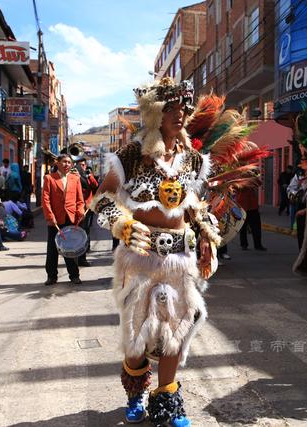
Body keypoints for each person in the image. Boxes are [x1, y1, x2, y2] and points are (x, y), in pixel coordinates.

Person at [91, 77, 219, 426]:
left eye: (184, 110)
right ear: (156, 113)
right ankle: (135, 390)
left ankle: (167, 399)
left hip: (181, 259)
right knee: (138, 335)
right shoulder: (132, 155)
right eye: (172, 109)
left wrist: (207, 238)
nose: (180, 116)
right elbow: (101, 200)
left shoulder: (192, 159)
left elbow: (196, 206)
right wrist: (124, 225)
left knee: (175, 331)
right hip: (140, 258)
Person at [42, 154, 85, 286]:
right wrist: (50, 217)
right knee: (52, 249)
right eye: (64, 162)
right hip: (56, 219)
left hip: (71, 218)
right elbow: (45, 200)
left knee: (70, 248)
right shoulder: (49, 178)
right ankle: (51, 276)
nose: (67, 164)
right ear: (58, 163)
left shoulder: (75, 178)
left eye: (69, 162)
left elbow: (79, 199)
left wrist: (80, 213)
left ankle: (74, 275)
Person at [76, 157, 98, 267]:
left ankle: (84, 252)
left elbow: (95, 186)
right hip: (77, 207)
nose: (82, 167)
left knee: (86, 230)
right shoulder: (75, 175)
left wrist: (90, 176)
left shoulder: (88, 175)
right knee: (78, 231)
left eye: (83, 165)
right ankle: (77, 255)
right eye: (80, 165)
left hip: (88, 207)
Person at [237, 187, 266, 251]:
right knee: (243, 227)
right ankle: (244, 245)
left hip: (253, 206)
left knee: (256, 227)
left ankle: (258, 245)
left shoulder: (252, 179)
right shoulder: (238, 180)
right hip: (243, 206)